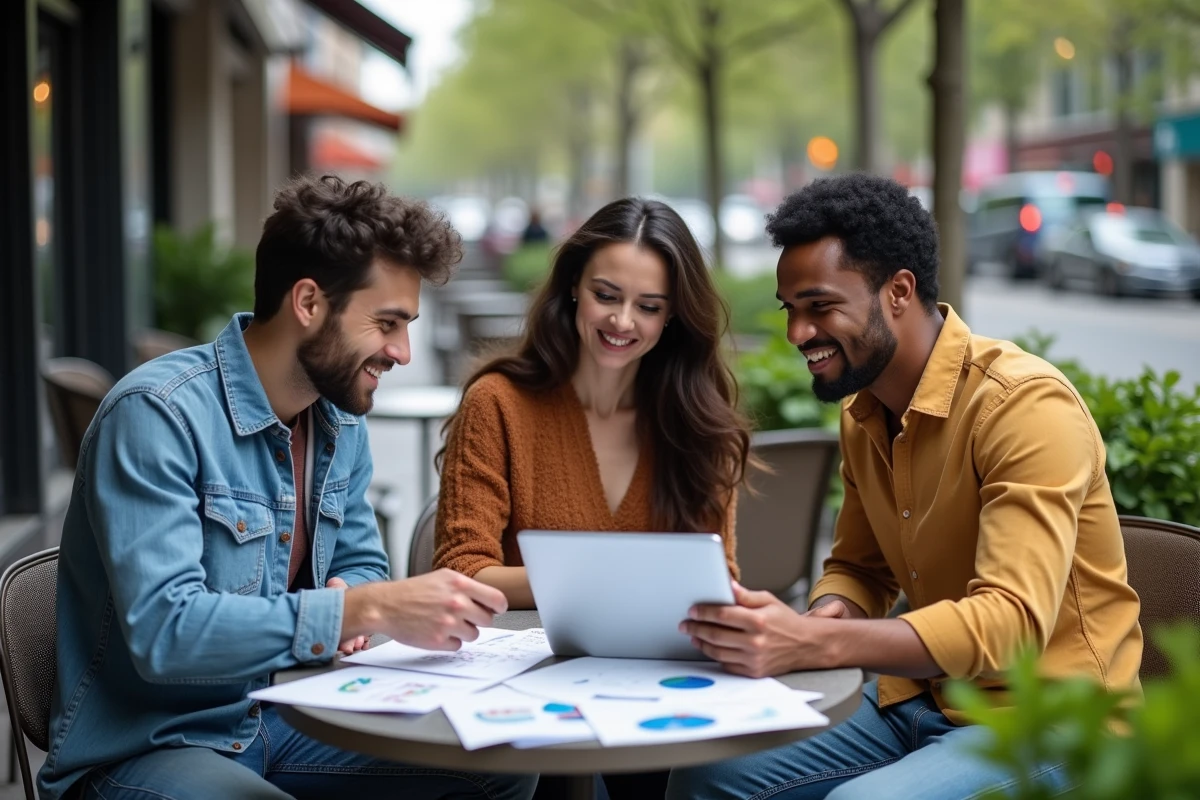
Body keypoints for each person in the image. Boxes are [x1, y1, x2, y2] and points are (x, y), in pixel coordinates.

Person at [39, 175, 538, 800]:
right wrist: (363, 610)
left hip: (281, 715)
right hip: (149, 746)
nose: (403, 352)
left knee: (503, 757)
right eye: (387, 322)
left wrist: (356, 598)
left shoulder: (339, 419)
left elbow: (358, 561)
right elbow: (165, 632)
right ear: (308, 302)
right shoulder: (156, 414)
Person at [667, 173, 1143, 800]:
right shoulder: (863, 410)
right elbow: (858, 566)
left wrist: (816, 642)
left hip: (1054, 721)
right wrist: (825, 614)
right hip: (921, 702)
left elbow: (1011, 626)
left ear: (898, 291)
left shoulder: (1024, 407)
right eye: (790, 311)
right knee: (708, 774)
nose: (796, 334)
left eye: (820, 307)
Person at [433, 197, 753, 610]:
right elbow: (461, 570)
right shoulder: (497, 404)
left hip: (657, 666)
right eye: (605, 295)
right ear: (573, 285)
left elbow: (717, 581)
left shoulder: (698, 423)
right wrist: (619, 578)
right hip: (526, 664)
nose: (622, 321)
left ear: (673, 315)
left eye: (649, 307)